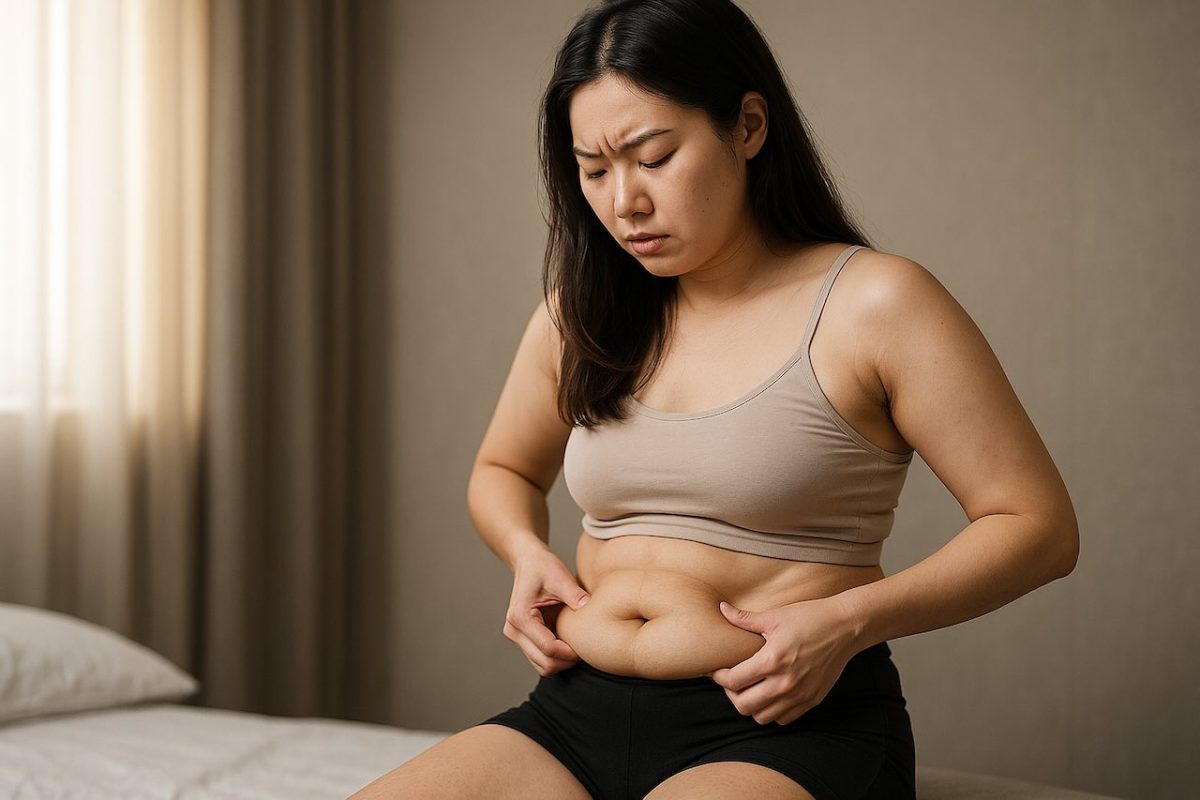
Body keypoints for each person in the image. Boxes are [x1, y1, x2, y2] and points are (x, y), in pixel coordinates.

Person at [349, 0, 1079, 798]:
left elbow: (1037, 527)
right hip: (573, 713)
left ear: (749, 126)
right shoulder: (585, 309)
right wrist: (527, 555)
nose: (623, 201)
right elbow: (502, 469)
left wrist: (848, 621)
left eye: (653, 157)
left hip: (784, 725)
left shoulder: (874, 303)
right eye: (594, 169)